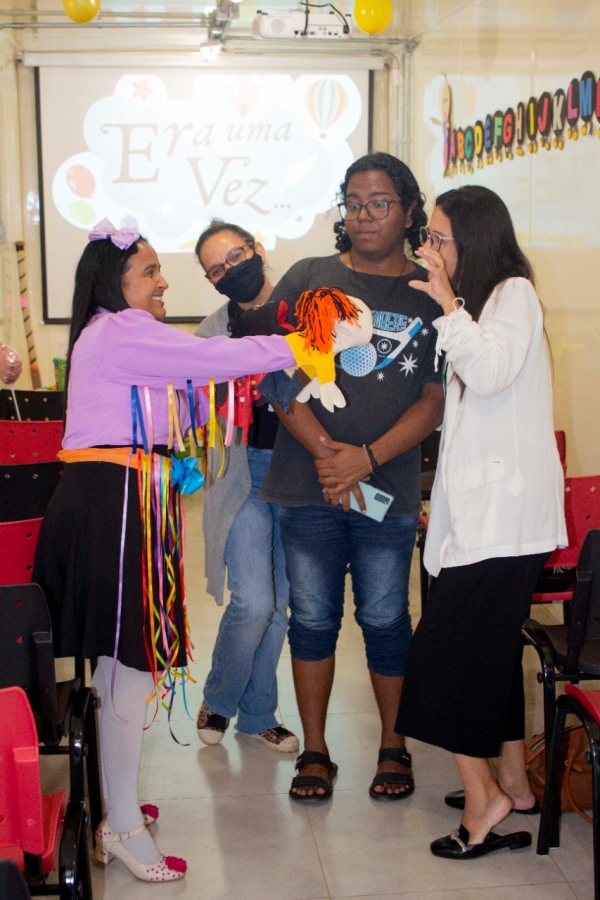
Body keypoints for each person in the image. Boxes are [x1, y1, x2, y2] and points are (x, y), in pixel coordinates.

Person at [31, 220, 351, 883]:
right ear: (114, 282)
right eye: (149, 272)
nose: (163, 282)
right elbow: (217, 360)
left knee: (122, 668)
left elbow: (187, 405)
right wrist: (306, 341)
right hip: (113, 503)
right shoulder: (121, 331)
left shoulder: (112, 337)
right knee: (128, 667)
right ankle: (122, 826)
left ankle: (117, 810)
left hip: (122, 499)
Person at [260, 152, 445, 801]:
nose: (365, 215)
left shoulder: (429, 290)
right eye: (354, 203)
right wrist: (327, 455)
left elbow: (434, 397)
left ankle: (393, 745)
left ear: (409, 210)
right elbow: (276, 375)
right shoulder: (309, 276)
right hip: (306, 486)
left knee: (387, 617)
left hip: (385, 490)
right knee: (311, 618)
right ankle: (316, 751)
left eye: (380, 203)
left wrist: (363, 459)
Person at [395, 185, 567, 858]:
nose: (429, 250)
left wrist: (446, 304)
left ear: (474, 239)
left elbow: (490, 374)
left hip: (504, 521)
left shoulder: (512, 294)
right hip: (484, 518)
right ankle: (515, 785)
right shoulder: (481, 306)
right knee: (491, 658)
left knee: (441, 661)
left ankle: (483, 798)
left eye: (437, 238)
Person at [193, 219, 299, 752]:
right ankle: (219, 698)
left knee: (280, 607)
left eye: (234, 256)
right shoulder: (211, 334)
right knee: (254, 601)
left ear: (257, 248)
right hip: (243, 475)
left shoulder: (302, 311)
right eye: (216, 269)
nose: (229, 271)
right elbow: (199, 416)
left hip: (299, 476)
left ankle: (258, 715)